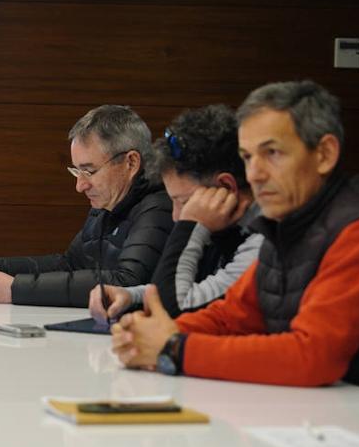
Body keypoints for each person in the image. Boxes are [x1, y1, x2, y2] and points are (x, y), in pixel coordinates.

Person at [112, 80, 359, 386]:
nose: (254, 173)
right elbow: (231, 316)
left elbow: (312, 356)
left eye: (272, 153)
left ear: (324, 154)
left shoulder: (354, 229)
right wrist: (149, 331)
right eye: (247, 157)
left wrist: (176, 347)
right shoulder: (286, 227)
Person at [0, 104, 173, 306]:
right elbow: (69, 264)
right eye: (76, 171)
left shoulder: (159, 205)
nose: (80, 185)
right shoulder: (107, 201)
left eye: (89, 171)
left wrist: (16, 289)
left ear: (131, 162)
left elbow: (125, 282)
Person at [89, 104, 263, 322]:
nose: (176, 216)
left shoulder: (263, 242)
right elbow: (197, 290)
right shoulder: (226, 226)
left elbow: (173, 310)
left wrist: (190, 226)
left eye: (184, 202)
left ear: (226, 188)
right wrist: (130, 295)